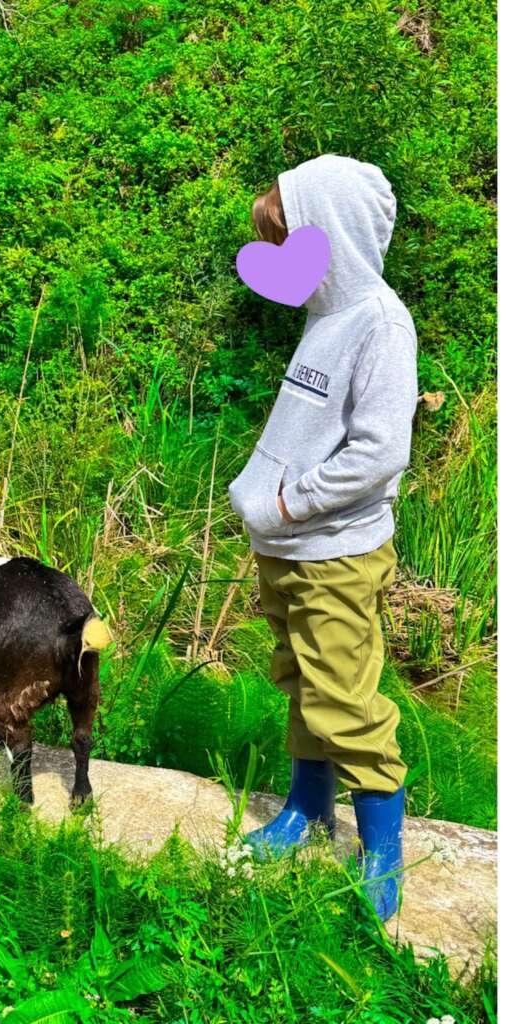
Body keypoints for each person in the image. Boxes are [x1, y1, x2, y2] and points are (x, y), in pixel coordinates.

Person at [228, 155, 418, 921]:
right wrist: (269, 513)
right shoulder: (327, 318)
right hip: (292, 547)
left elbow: (379, 454)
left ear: (327, 231)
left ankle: (381, 851)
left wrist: (285, 504)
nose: (281, 259)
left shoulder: (378, 323)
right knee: (303, 680)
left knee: (346, 695)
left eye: (288, 237)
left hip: (333, 550)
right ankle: (308, 812)